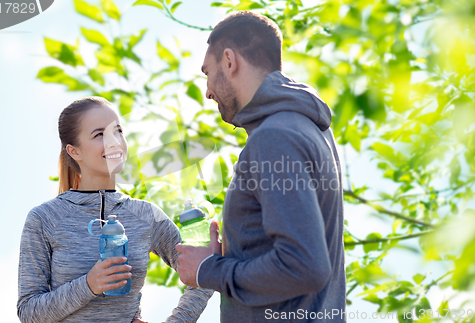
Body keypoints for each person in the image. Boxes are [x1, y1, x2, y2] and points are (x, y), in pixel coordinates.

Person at [175, 11, 347, 322]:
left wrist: (208, 270)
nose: (208, 90)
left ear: (229, 61)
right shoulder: (308, 128)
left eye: (207, 73)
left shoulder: (275, 137)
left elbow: (305, 266)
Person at [17, 96, 213, 323]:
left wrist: (177, 321)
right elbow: (29, 312)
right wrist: (89, 284)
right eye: (99, 134)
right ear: (74, 151)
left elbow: (204, 271)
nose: (115, 142)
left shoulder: (146, 215)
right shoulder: (44, 219)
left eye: (118, 131)